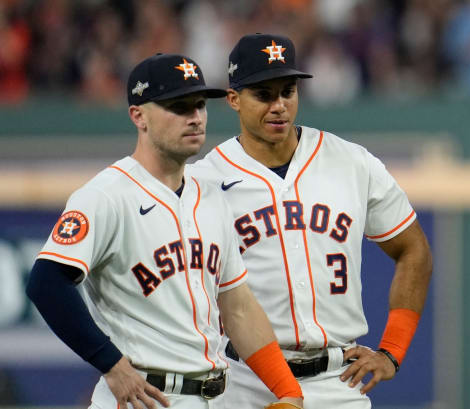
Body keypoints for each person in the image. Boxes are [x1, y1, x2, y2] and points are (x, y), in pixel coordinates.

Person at [25, 53, 304, 409]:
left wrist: (287, 390)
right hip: (147, 396)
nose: (195, 118)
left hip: (215, 396)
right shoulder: (106, 195)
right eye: (179, 107)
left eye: (200, 105)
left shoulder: (211, 195)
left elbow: (238, 306)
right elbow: (46, 282)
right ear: (138, 115)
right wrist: (110, 363)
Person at [189, 33, 433, 408]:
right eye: (264, 94)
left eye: (287, 91)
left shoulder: (350, 161)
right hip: (244, 381)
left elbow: (413, 249)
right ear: (233, 99)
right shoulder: (203, 180)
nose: (279, 105)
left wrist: (393, 350)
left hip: (338, 378)